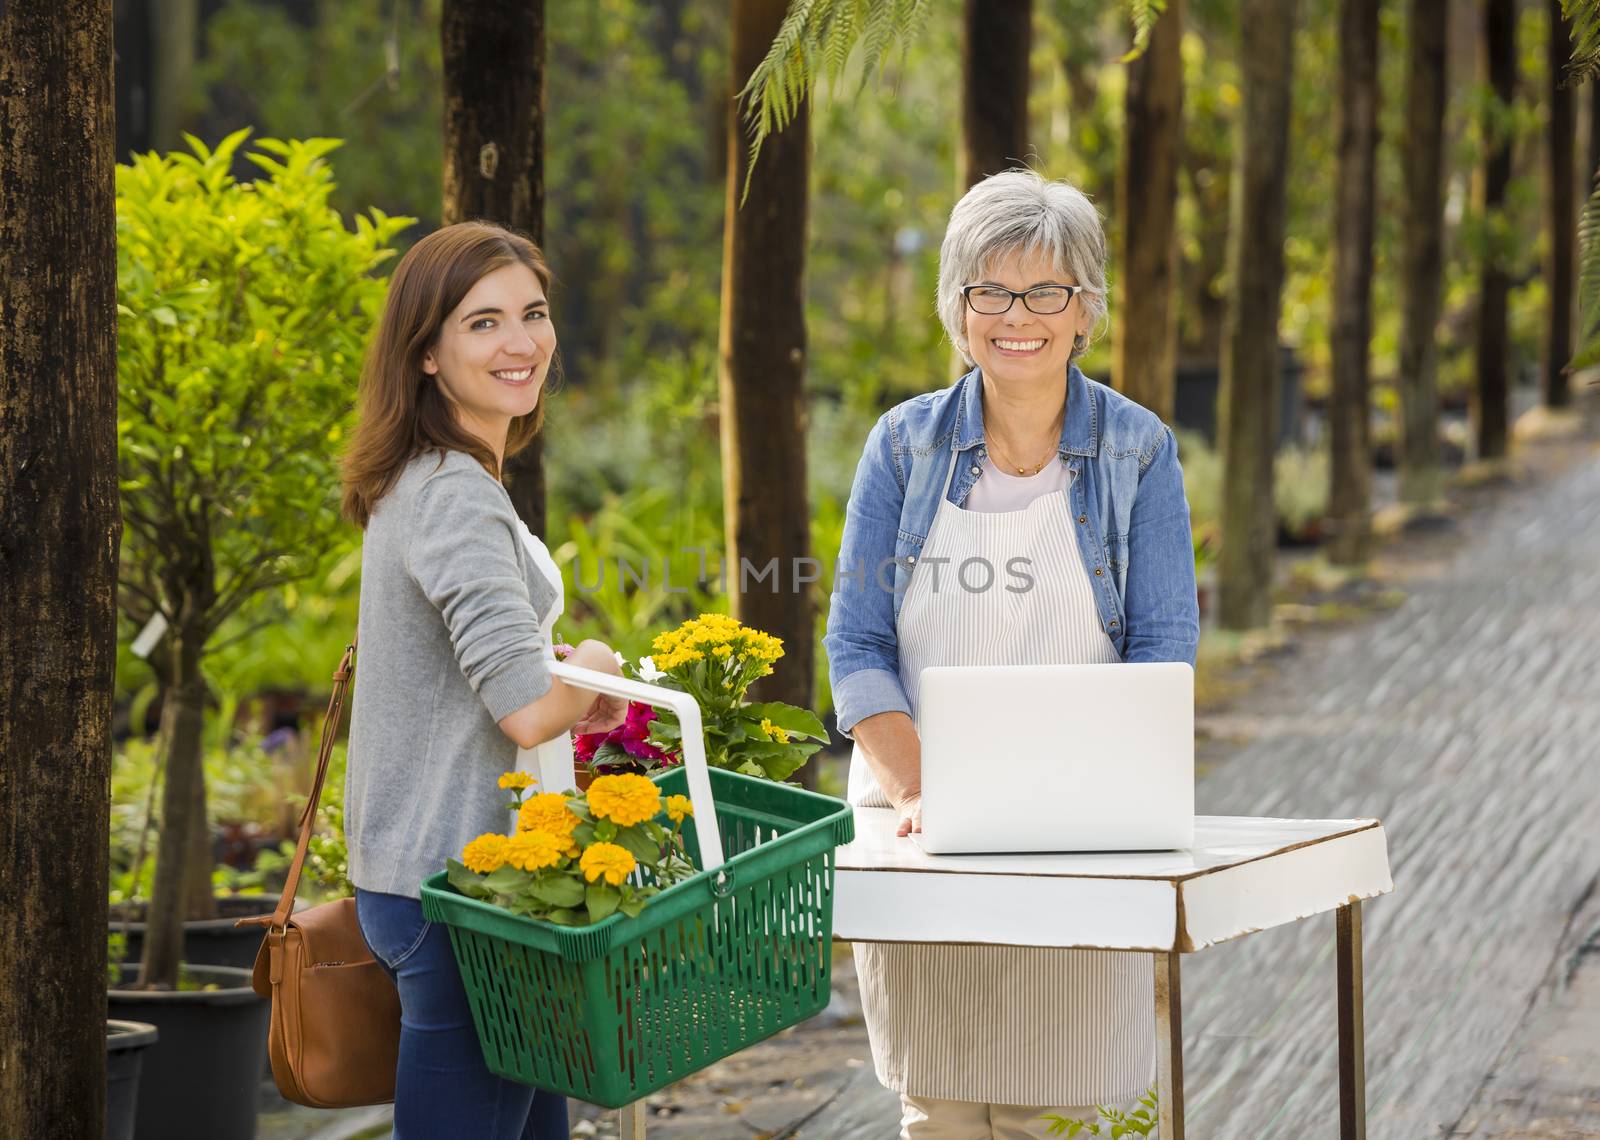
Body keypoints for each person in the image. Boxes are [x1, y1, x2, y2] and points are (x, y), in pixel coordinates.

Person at [823, 170, 1200, 1139]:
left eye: (1046, 291)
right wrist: (916, 793)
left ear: (1086, 311)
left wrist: (1086, 796)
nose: (1015, 315)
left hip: (1080, 840)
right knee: (939, 1109)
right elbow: (857, 643)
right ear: (957, 310)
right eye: (988, 291)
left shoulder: (1137, 453)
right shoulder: (901, 449)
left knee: (1070, 1109)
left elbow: (1161, 652)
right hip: (919, 837)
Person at [339, 222, 627, 1139]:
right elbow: (530, 710)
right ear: (426, 353)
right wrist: (592, 670)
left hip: (461, 884)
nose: (522, 343)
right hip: (463, 894)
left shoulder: (429, 476)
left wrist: (570, 678)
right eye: (483, 323)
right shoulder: (454, 493)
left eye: (534, 314)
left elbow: (484, 673)